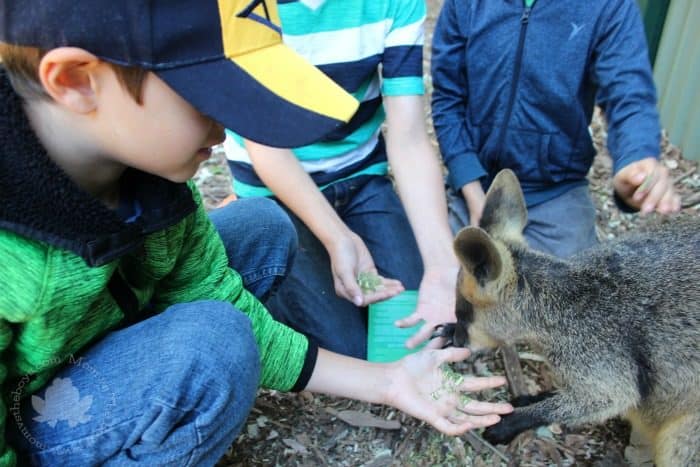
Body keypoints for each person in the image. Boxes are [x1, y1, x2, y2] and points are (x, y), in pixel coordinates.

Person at [0, 0, 514, 465]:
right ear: (74, 80)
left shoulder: (152, 182)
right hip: (33, 414)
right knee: (215, 341)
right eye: (208, 97)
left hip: (90, 338)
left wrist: (390, 381)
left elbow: (217, 295)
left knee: (258, 236)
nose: (225, 131)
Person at [223, 0, 459, 358]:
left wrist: (443, 266)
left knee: (417, 329)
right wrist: (338, 238)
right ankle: (248, 248)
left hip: (360, 179)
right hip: (274, 192)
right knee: (348, 350)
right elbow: (267, 148)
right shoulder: (243, 6)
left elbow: (408, 137)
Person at [431, 0, 681, 259]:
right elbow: (448, 99)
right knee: (436, 286)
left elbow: (628, 94)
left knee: (574, 291)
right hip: (473, 185)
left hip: (555, 193)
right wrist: (470, 187)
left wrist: (636, 156)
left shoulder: (609, 6)